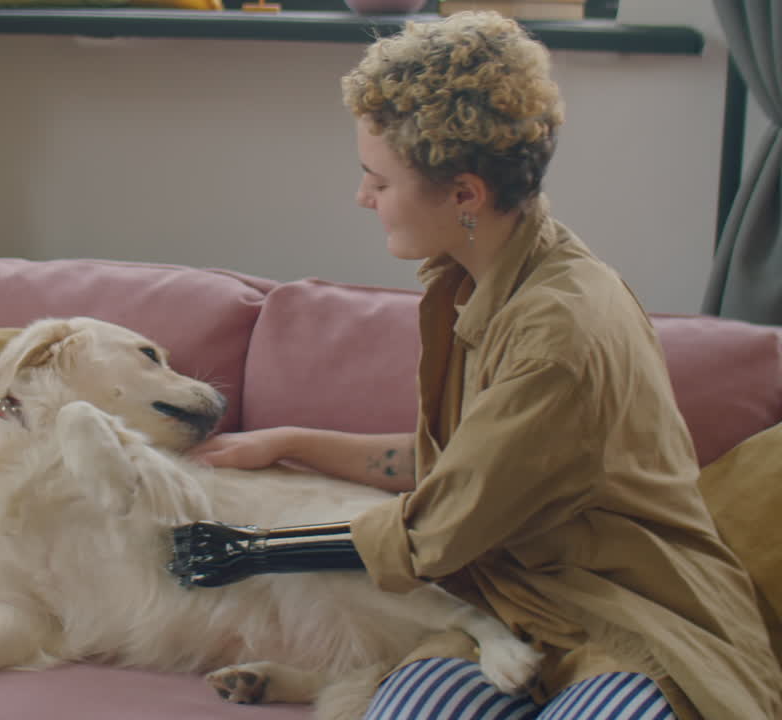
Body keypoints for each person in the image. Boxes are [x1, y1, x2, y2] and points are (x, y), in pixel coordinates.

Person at [176, 11, 782, 720]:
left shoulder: (562, 330)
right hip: (514, 605)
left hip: (637, 614)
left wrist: (247, 548)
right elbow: (469, 467)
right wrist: (286, 442)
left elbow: (442, 527)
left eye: (378, 179)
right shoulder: (479, 280)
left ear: (466, 194)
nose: (362, 197)